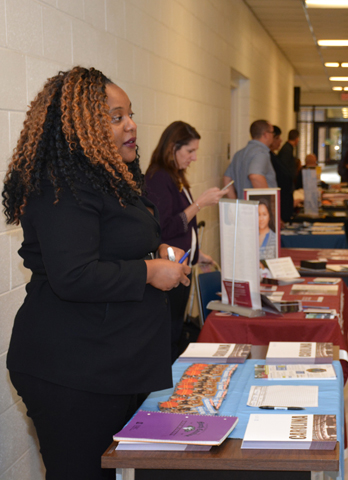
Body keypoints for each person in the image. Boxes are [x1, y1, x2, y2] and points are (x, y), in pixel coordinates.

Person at [2, 67, 191, 480]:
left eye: (130, 114)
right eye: (115, 116)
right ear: (80, 126)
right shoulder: (60, 186)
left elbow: (116, 241)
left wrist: (157, 249)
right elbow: (73, 274)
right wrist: (148, 271)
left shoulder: (110, 179)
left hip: (112, 362)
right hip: (70, 370)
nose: (131, 125)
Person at [145, 121, 227, 362]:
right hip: (167, 270)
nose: (194, 158)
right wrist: (199, 203)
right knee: (169, 334)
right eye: (190, 151)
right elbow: (164, 228)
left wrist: (197, 254)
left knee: (176, 330)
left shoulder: (175, 176)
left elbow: (184, 228)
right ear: (172, 148)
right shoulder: (158, 178)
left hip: (182, 264)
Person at [223, 119, 277, 199]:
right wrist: (266, 203)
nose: (273, 135)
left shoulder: (239, 154)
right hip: (257, 209)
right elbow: (255, 176)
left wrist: (236, 204)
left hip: (243, 207)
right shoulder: (261, 153)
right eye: (272, 133)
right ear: (266, 134)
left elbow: (227, 179)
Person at [269, 125, 295, 222]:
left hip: (284, 204)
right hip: (279, 205)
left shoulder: (274, 156)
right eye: (277, 138)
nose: (280, 140)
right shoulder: (267, 157)